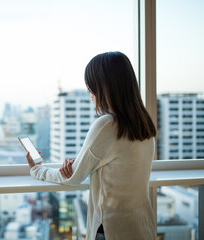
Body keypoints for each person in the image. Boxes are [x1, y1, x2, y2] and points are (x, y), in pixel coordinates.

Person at [26, 51, 157, 240]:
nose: (89, 90)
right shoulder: (144, 125)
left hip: (112, 230)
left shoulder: (106, 125)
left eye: (91, 84)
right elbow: (117, 168)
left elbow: (74, 178)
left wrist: (37, 170)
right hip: (142, 228)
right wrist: (79, 165)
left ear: (105, 86)